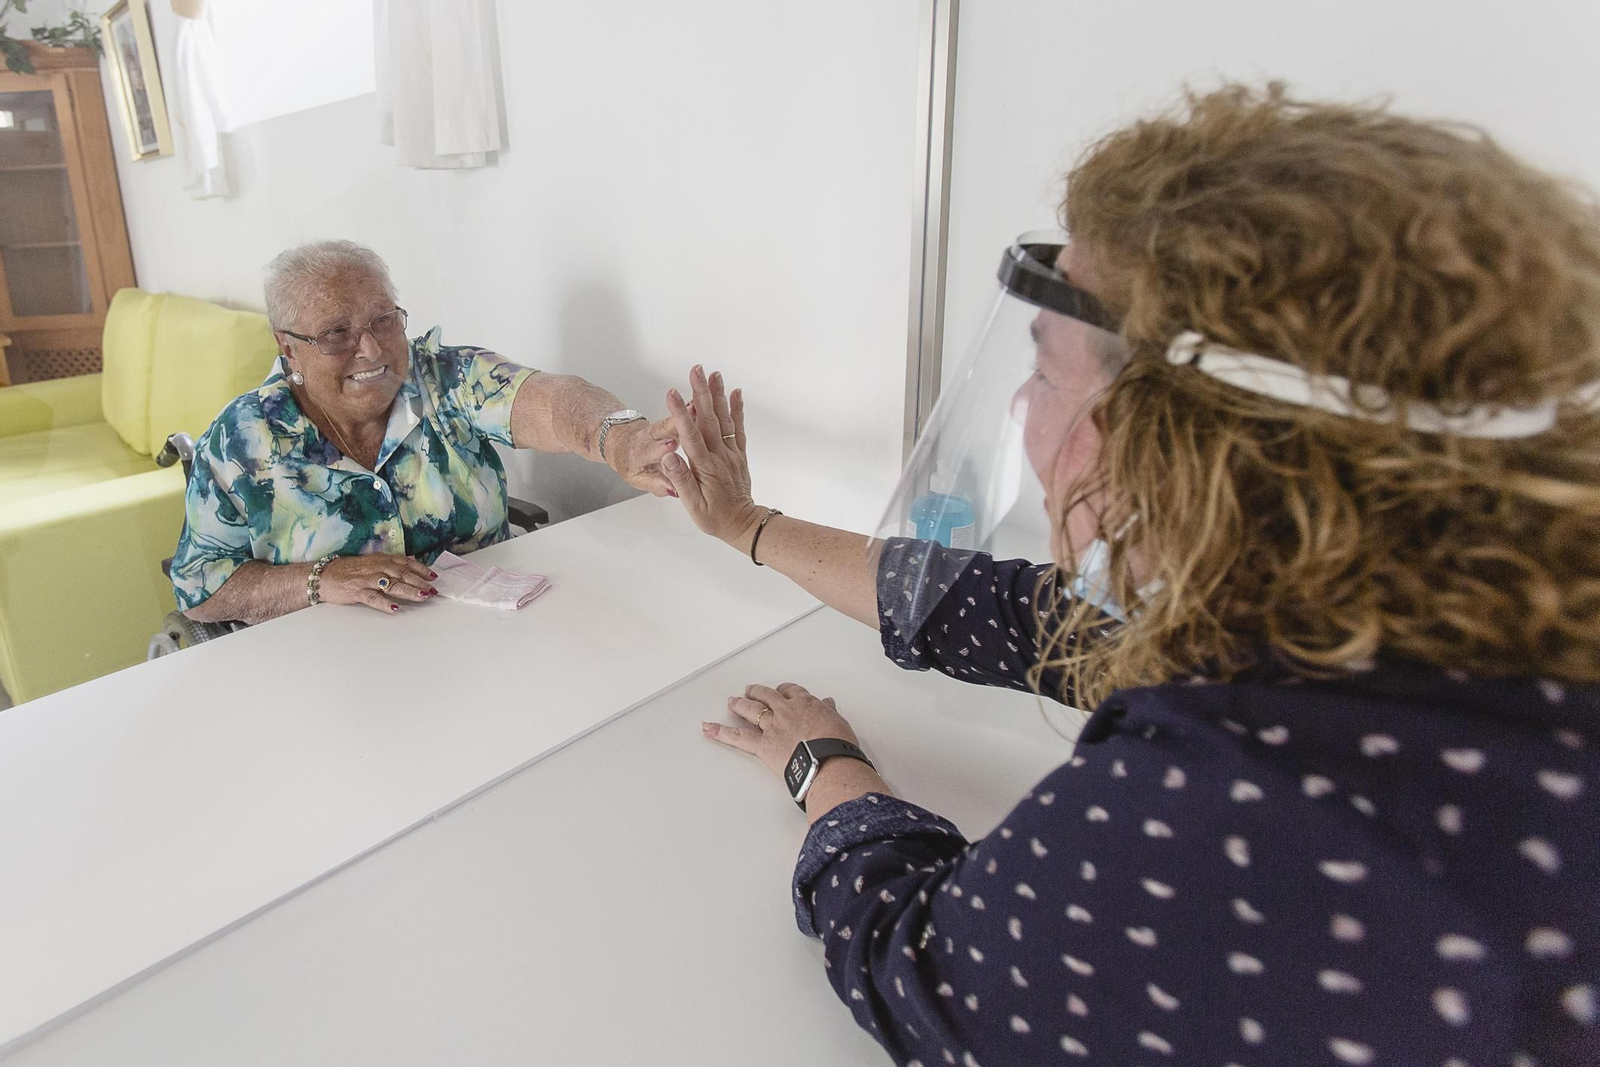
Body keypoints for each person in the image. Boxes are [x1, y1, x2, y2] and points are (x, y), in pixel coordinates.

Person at [659, 86, 1599, 1067]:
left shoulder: (1246, 806)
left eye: (1046, 373)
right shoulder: (1457, 622)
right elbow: (1020, 617)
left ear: (1187, 440)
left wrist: (825, 768)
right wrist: (747, 525)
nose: (1021, 408)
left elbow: (925, 969)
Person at [171, 239, 677, 622]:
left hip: (490, 636)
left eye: (384, 321)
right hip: (331, 672)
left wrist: (619, 438)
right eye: (337, 333)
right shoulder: (241, 442)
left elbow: (551, 399)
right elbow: (200, 588)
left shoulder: (446, 379)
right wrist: (321, 579)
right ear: (288, 348)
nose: (371, 349)